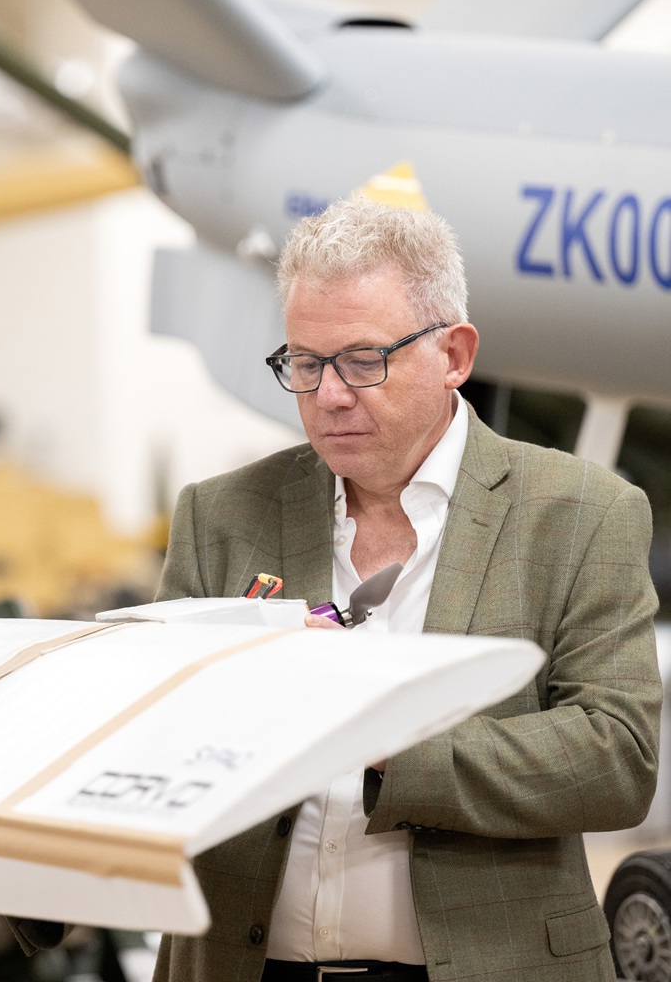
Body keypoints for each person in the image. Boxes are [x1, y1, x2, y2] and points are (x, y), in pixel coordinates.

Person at [153, 198, 662, 982]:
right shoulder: (220, 517)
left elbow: (615, 758)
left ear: (455, 355)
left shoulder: (582, 515)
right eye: (305, 362)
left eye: (362, 361)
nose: (328, 395)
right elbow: (151, 739)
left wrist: (380, 739)